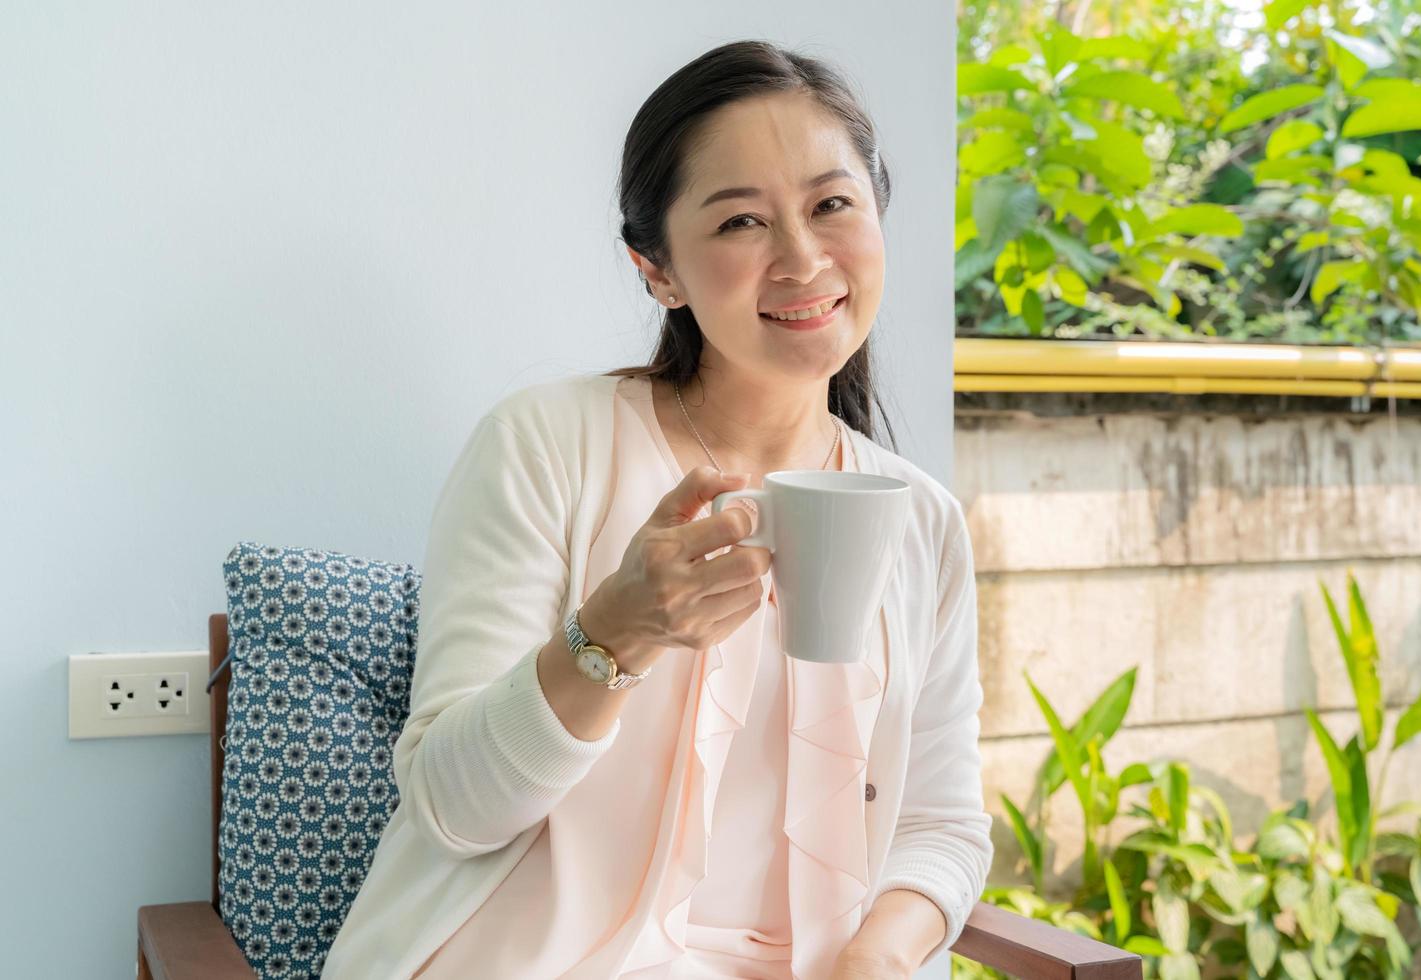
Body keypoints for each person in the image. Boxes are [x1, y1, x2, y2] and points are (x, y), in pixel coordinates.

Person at [321, 39, 992, 980]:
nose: (803, 258)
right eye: (740, 224)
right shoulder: (549, 444)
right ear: (658, 270)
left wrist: (878, 955)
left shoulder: (920, 519)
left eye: (832, 204)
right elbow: (452, 808)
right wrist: (613, 635)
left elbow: (941, 823)